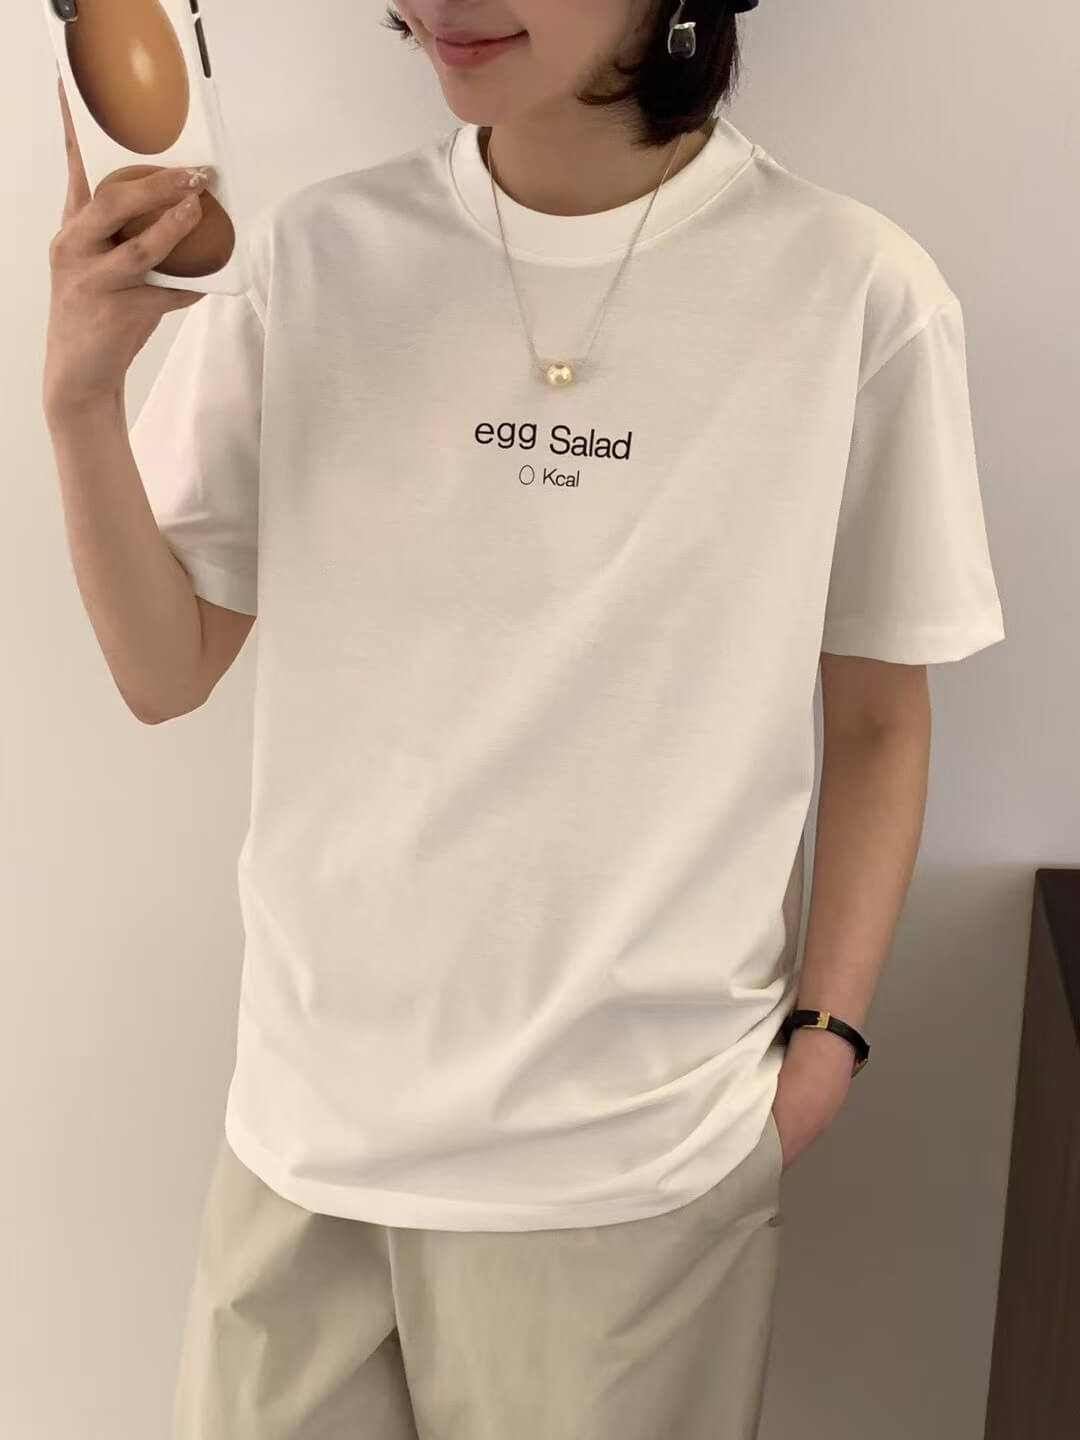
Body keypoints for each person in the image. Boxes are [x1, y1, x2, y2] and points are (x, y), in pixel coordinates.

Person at [44, 2, 1005, 1437]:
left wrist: (825, 1047)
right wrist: (80, 400)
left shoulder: (854, 290)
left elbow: (876, 717)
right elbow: (164, 668)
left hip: (630, 1169)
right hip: (302, 1145)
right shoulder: (314, 258)